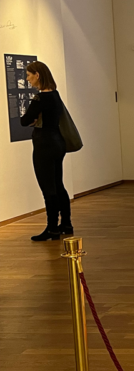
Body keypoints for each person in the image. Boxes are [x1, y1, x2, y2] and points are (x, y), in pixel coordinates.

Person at [19, 61, 72, 241]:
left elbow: (24, 121)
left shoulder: (40, 98)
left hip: (44, 145)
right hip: (58, 143)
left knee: (48, 188)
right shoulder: (55, 95)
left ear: (37, 75)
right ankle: (66, 224)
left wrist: (34, 120)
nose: (27, 79)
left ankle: (52, 228)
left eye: (29, 75)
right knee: (58, 185)